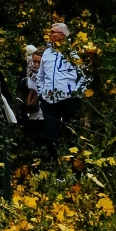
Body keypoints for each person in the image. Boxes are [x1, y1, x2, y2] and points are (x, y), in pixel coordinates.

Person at [30, 20, 86, 153]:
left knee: (69, 132)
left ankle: (72, 162)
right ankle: (52, 162)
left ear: (62, 35)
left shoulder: (73, 53)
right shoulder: (47, 53)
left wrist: (77, 94)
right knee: (50, 133)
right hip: (49, 100)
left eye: (52, 32)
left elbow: (83, 77)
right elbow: (41, 76)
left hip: (68, 99)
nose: (49, 34)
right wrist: (42, 94)